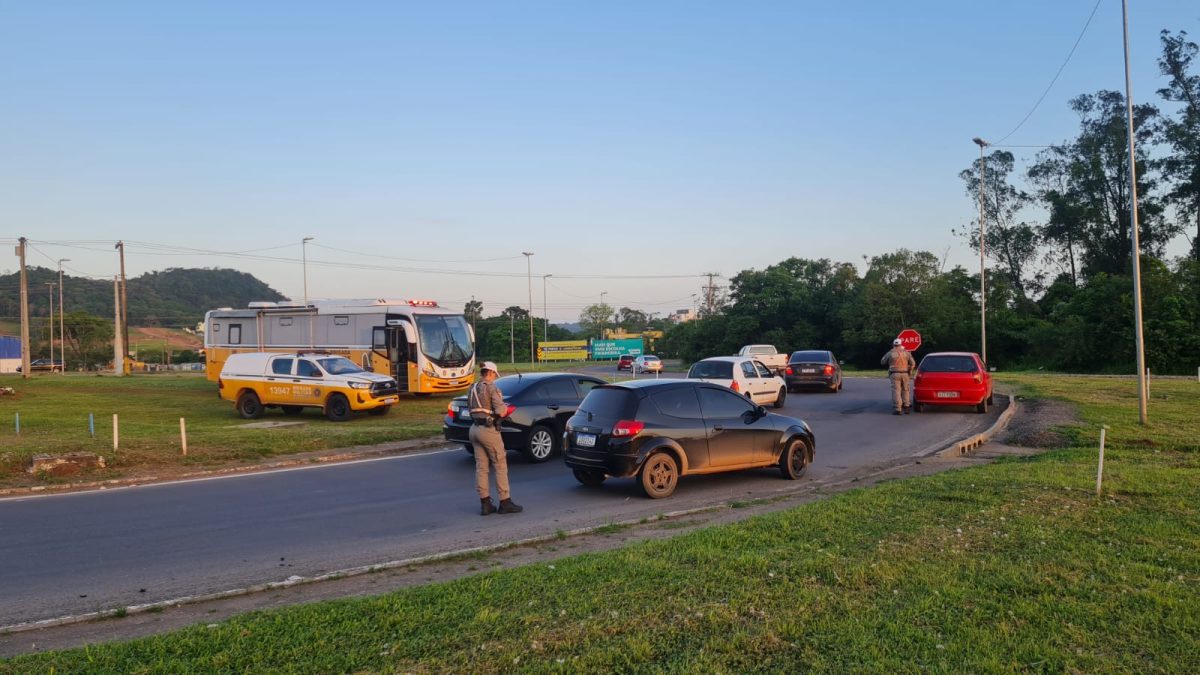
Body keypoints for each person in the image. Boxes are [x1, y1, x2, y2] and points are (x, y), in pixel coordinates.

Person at [467, 361, 523, 515]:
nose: (494, 377)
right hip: (488, 430)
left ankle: (485, 504)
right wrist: (505, 409)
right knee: (500, 465)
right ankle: (505, 502)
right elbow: (501, 411)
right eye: (494, 374)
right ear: (491, 373)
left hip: (474, 430)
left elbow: (472, 409)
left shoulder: (472, 388)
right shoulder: (492, 388)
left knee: (481, 467)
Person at [880, 338, 916, 415]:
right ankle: (906, 407)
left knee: (896, 391)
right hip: (905, 374)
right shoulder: (906, 353)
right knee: (906, 390)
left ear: (894, 344)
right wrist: (910, 371)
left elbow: (882, 362)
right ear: (901, 344)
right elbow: (913, 363)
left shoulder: (890, 353)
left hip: (894, 374)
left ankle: (898, 409)